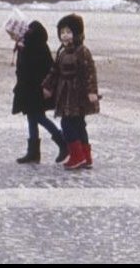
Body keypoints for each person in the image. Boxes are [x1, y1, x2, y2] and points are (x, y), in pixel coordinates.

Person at [43, 13, 100, 170]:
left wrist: (92, 91)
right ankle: (85, 156)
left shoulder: (82, 51)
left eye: (68, 32)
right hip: (65, 94)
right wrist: (47, 86)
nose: (65, 36)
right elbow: (54, 72)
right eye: (62, 32)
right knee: (77, 124)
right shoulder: (62, 53)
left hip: (78, 94)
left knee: (69, 124)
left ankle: (78, 156)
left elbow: (90, 72)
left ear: (76, 33)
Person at [9, 18, 66, 164]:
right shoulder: (25, 44)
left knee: (38, 116)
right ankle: (33, 152)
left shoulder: (35, 44)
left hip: (37, 88)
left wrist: (46, 87)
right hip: (29, 88)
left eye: (12, 34)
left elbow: (45, 67)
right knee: (32, 117)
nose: (11, 37)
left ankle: (62, 141)